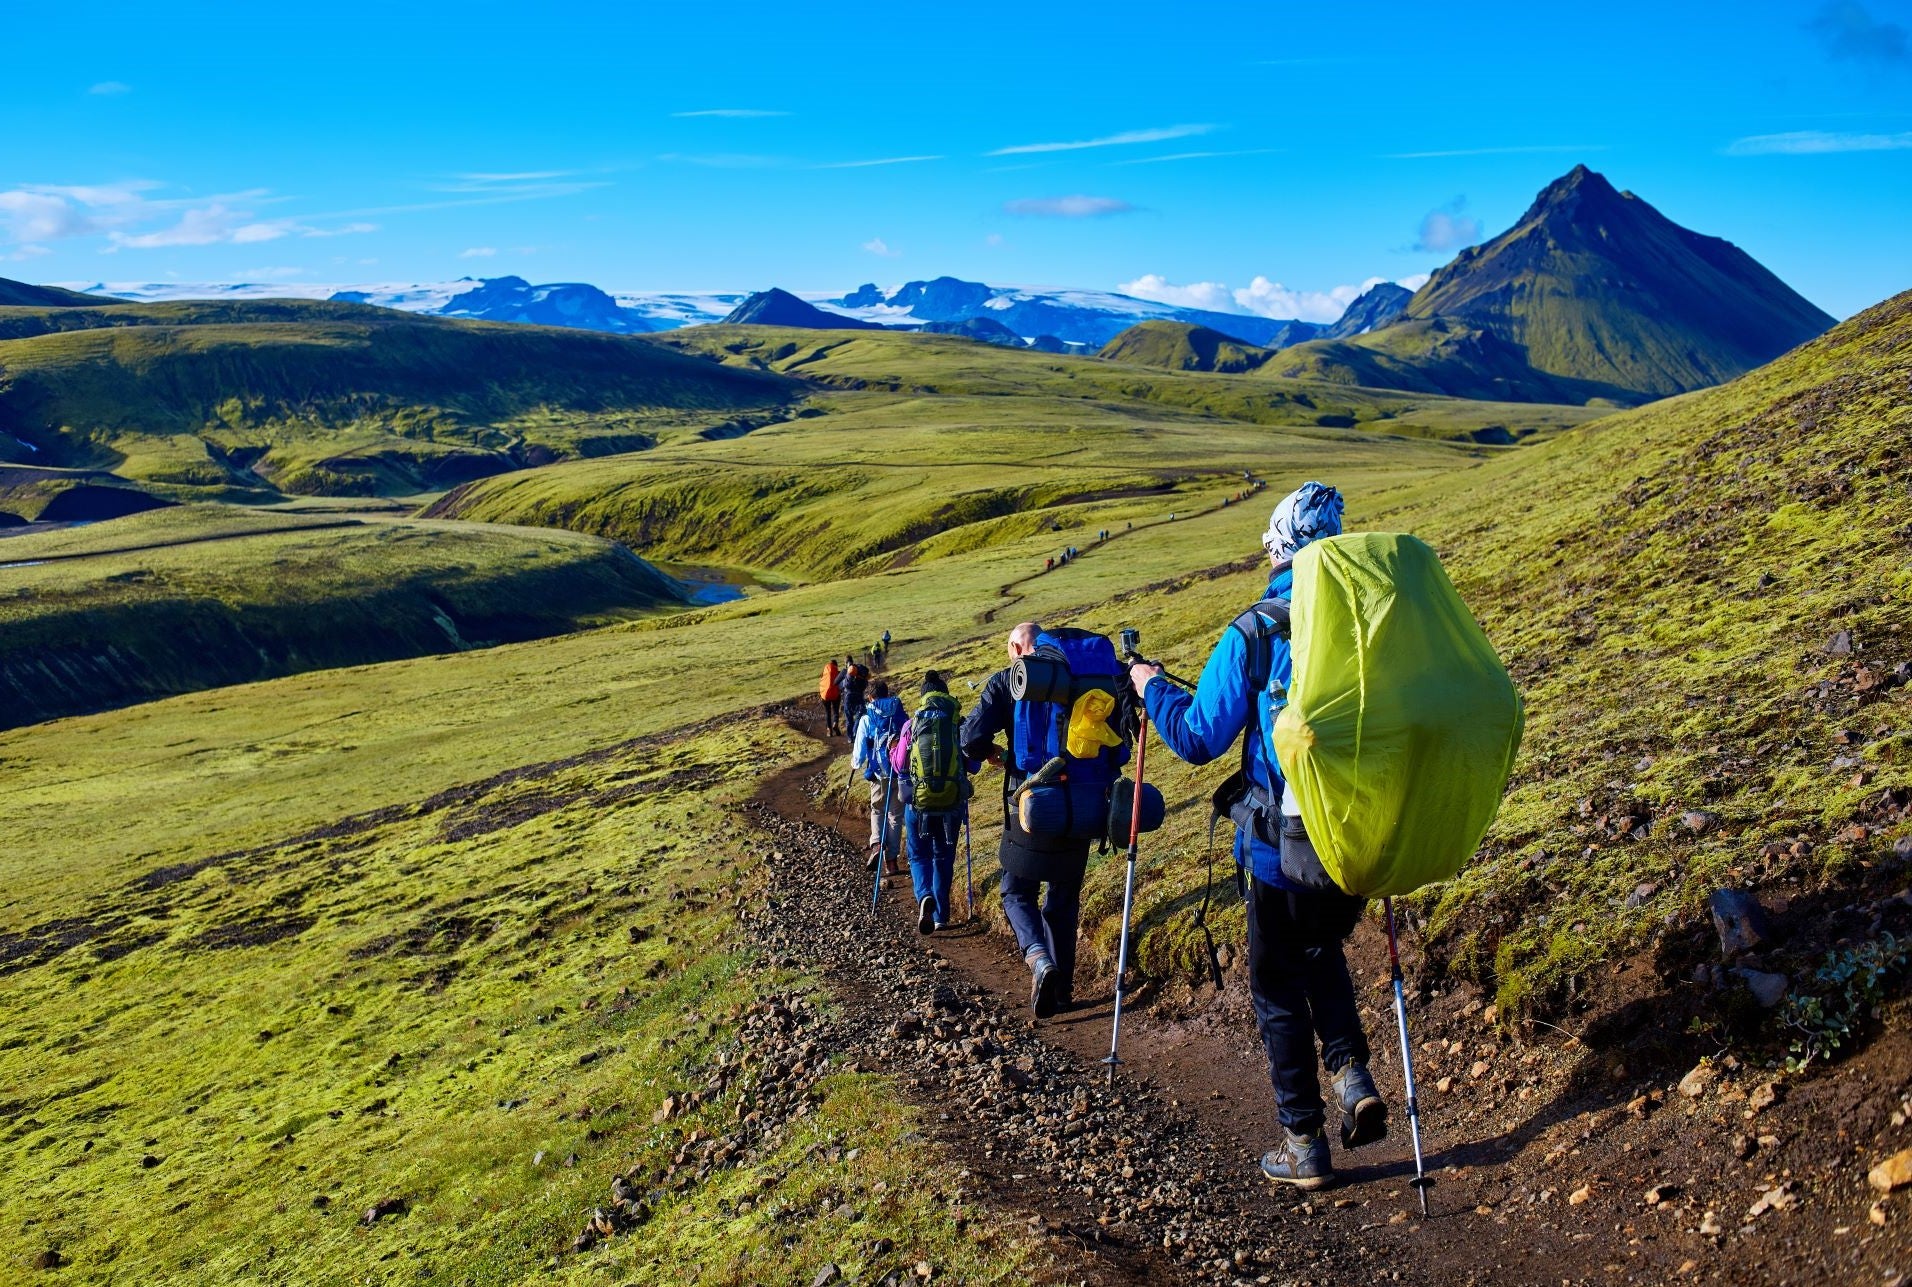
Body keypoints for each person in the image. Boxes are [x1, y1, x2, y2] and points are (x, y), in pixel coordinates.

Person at [1128, 481, 1386, 1191]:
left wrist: (1151, 684)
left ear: (1278, 549)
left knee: (1276, 985)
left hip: (1278, 848)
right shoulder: (1370, 615)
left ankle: (1303, 1143)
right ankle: (1353, 1073)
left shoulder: (1256, 629)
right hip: (1355, 836)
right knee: (1321, 945)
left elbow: (1197, 735)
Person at [960, 622, 1091, 1017]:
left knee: (1015, 890)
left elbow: (969, 738)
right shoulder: (1078, 671)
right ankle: (1063, 990)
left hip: (1030, 803)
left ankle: (1038, 958)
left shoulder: (1006, 681)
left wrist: (993, 752)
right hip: (1082, 802)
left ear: (1017, 648)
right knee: (1064, 898)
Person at [888, 671, 967, 933]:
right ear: (945, 695)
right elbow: (973, 764)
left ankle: (924, 896)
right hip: (952, 803)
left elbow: (899, 764)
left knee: (919, 854)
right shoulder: (956, 723)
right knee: (943, 856)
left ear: (923, 697)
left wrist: (893, 749)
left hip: (918, 804)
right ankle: (941, 916)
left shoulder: (911, 725)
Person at [851, 680, 907, 875]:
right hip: (897, 772)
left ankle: (876, 844)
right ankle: (891, 861)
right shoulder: (899, 715)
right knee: (895, 816)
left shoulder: (867, 719)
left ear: (870, 697)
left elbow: (859, 751)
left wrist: (855, 764)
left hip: (877, 773)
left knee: (877, 809)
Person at [841, 656, 869, 738]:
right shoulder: (860, 668)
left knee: (849, 717)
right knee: (860, 714)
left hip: (848, 696)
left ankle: (850, 737)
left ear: (846, 663)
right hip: (859, 695)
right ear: (852, 661)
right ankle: (855, 731)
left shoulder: (844, 672)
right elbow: (867, 673)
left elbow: (836, 682)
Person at [818, 658, 842, 736]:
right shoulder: (838, 672)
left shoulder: (824, 672)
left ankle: (829, 730)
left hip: (825, 695)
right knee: (835, 711)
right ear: (836, 665)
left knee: (828, 712)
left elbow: (821, 682)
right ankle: (835, 723)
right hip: (835, 694)